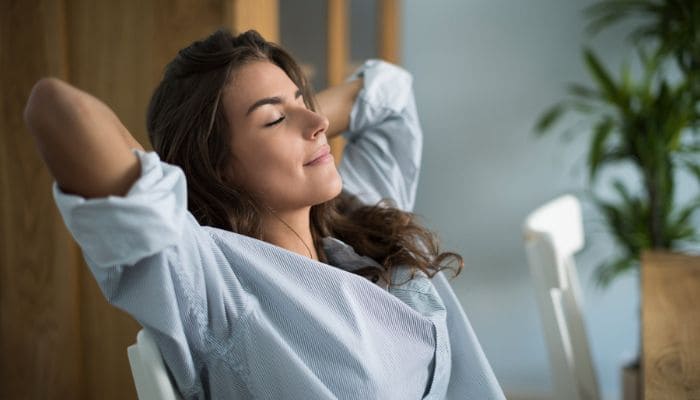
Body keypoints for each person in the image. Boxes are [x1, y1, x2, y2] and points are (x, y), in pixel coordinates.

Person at [24, 29, 505, 399]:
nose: (319, 124)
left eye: (306, 101)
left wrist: (292, 119)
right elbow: (57, 108)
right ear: (218, 167)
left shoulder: (356, 219)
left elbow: (391, 97)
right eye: (275, 119)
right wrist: (178, 174)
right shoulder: (215, 284)